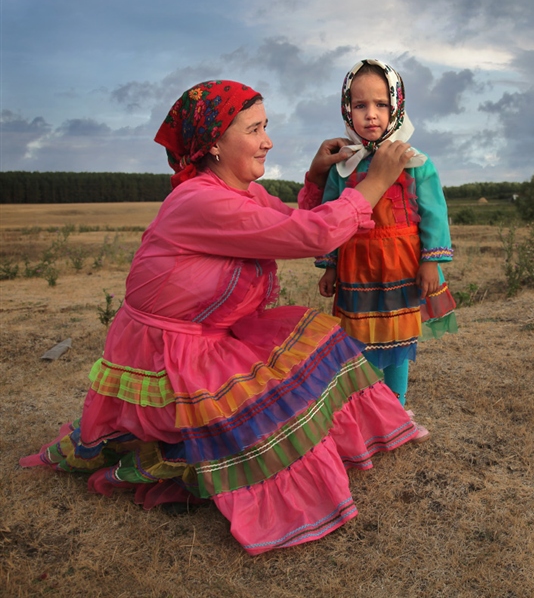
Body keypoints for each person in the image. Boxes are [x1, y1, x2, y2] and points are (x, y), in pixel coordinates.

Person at [20, 79, 428, 556]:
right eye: (254, 129)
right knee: (269, 421)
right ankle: (185, 449)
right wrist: (377, 180)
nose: (267, 141)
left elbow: (291, 221)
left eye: (266, 127)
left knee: (318, 343)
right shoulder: (201, 200)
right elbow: (313, 235)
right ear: (214, 143)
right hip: (173, 357)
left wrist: (317, 175)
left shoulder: (239, 192)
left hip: (209, 338)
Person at [315, 59, 457, 425]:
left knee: (397, 339)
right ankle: (366, 408)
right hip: (357, 269)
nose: (371, 114)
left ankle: (396, 409)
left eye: (381, 104)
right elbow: (330, 217)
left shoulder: (414, 161)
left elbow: (434, 212)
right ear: (347, 109)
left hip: (400, 266)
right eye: (360, 105)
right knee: (358, 338)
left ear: (397, 106)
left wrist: (431, 261)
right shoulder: (343, 166)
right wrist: (330, 266)